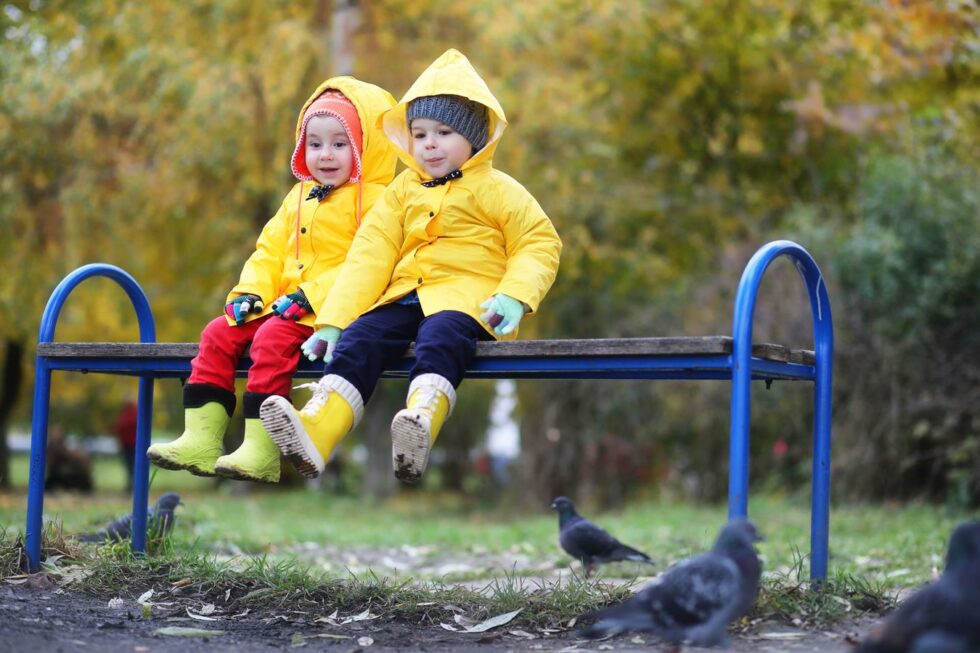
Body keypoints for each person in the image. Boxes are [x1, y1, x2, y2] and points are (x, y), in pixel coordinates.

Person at [260, 49, 562, 485]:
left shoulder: (497, 189)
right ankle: (318, 431)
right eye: (419, 134)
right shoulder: (403, 190)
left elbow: (538, 241)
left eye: (443, 132)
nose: (430, 144)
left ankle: (420, 420)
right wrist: (332, 322)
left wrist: (516, 295)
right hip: (405, 295)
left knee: (439, 337)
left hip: (467, 298)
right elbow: (370, 254)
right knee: (361, 337)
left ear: (475, 138)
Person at [146, 77, 397, 483]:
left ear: (366, 147)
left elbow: (367, 264)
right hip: (282, 304)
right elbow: (269, 252)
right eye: (314, 144)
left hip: (332, 310)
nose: (325, 155)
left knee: (270, 341)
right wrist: (250, 292)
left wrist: (310, 297)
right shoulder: (298, 197)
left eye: (340, 143)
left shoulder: (379, 201)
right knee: (218, 333)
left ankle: (260, 450)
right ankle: (200, 438)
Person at [114, 401, 138, 490]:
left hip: (133, 445)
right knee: (128, 467)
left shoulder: (134, 413)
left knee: (133, 466)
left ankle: (134, 486)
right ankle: (130, 485)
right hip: (125, 445)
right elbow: (119, 428)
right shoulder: (124, 413)